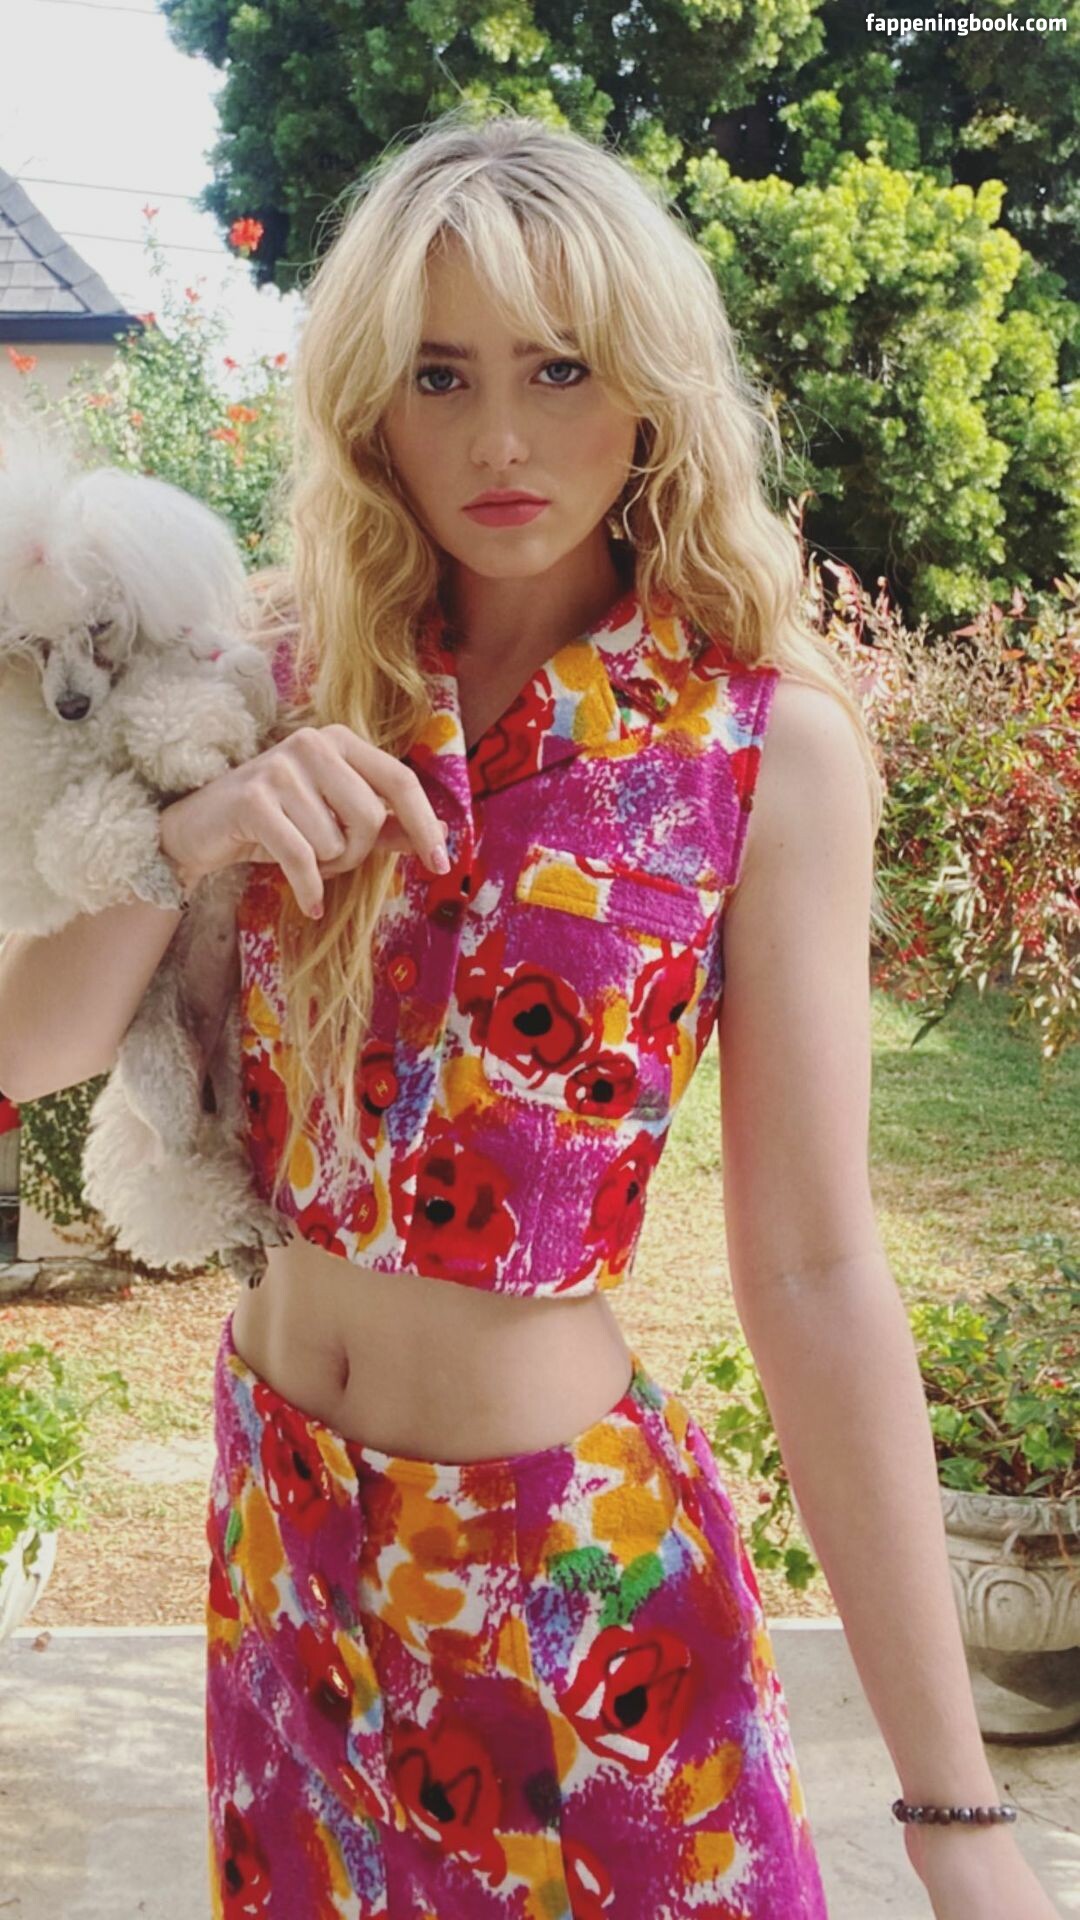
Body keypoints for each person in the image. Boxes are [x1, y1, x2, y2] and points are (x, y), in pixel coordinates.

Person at [0, 110, 1060, 1920]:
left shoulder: (758, 747)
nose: (500, 438)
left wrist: (960, 1826)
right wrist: (187, 834)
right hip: (285, 1549)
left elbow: (814, 1269)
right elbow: (30, 1048)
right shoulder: (271, 675)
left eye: (560, 367)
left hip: (565, 1590)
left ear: (649, 389)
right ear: (372, 405)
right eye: (441, 375)